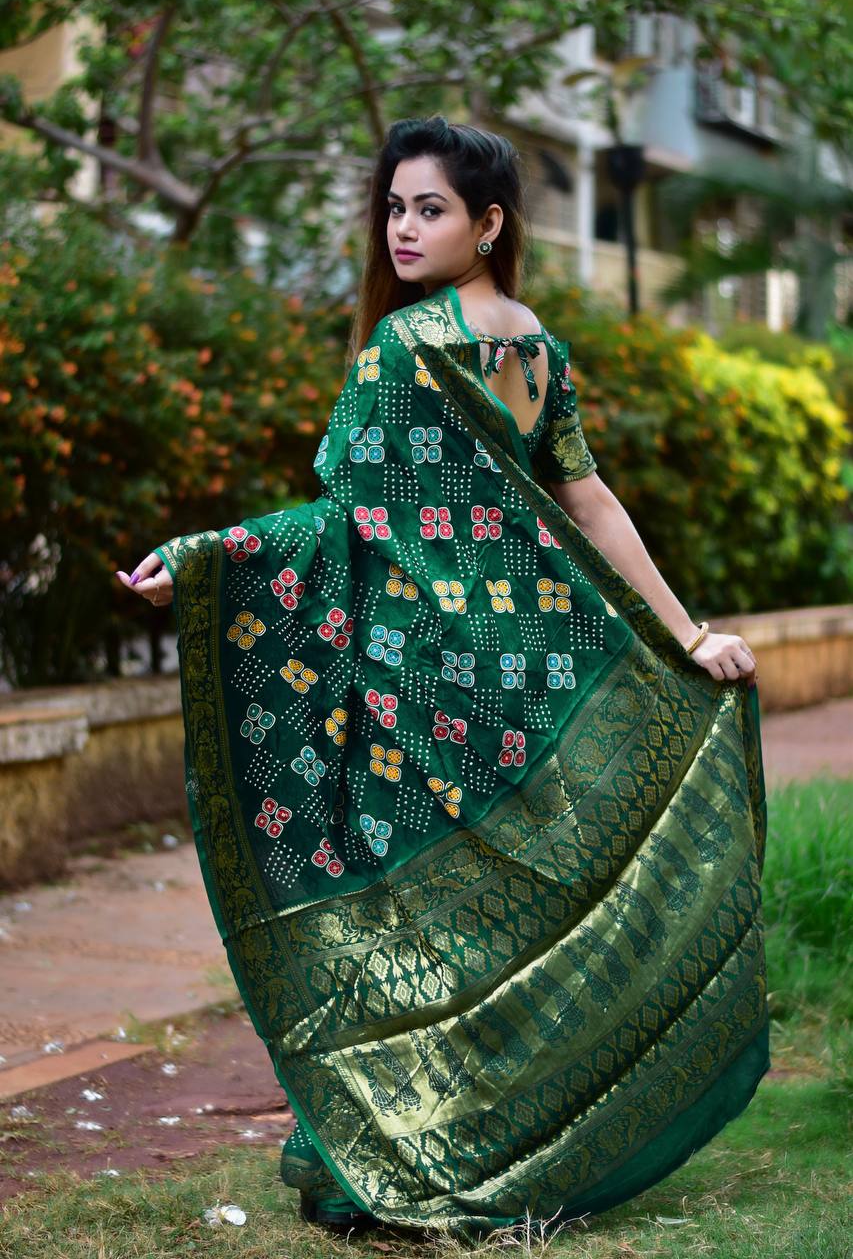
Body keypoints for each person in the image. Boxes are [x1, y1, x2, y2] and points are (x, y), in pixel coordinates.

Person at [116, 115, 769, 1240]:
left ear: (489, 222)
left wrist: (208, 558)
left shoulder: (402, 346)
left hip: (416, 675)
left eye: (430, 209)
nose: (403, 228)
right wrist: (686, 635)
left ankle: (409, 1151)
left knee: (406, 922)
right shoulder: (536, 349)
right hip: (527, 679)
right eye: (395, 207)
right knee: (509, 922)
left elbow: (343, 523)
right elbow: (588, 502)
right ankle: (504, 1145)